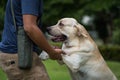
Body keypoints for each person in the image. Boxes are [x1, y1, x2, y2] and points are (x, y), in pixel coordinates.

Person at [0, 0, 63, 80]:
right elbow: (30, 28)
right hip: (20, 56)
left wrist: (47, 47)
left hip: (13, 54)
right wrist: (51, 52)